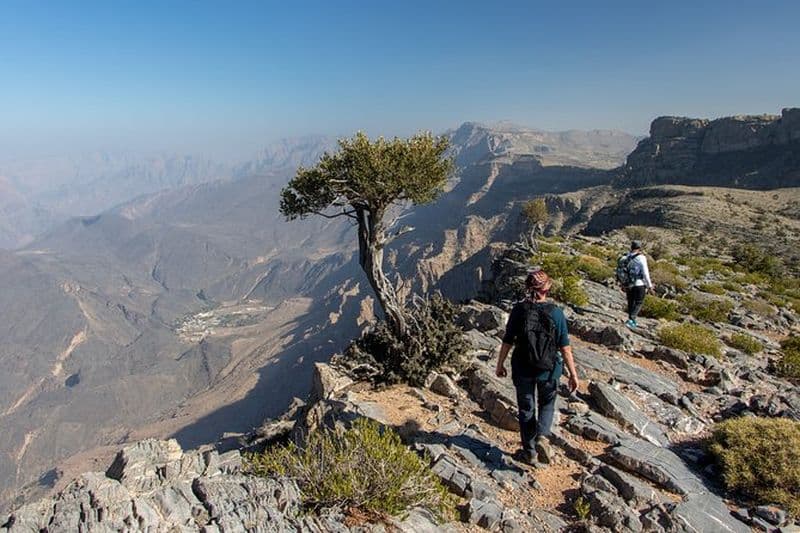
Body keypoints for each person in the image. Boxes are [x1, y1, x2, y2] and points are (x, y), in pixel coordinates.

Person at [495, 269, 579, 465]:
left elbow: (507, 341)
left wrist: (500, 364)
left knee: (526, 409)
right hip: (549, 370)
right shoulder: (556, 313)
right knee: (547, 404)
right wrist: (573, 375)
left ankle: (530, 452)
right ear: (546, 288)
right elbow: (565, 348)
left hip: (522, 368)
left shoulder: (519, 310)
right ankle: (542, 436)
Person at [622, 240, 653, 329]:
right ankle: (631, 320)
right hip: (639, 284)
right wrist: (649, 286)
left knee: (631, 302)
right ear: (639, 248)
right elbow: (645, 273)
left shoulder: (627, 256)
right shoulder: (641, 258)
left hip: (628, 284)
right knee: (639, 302)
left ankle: (632, 320)